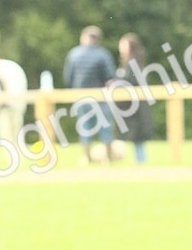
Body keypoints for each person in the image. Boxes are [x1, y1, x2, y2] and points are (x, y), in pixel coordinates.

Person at [62, 26, 117, 162]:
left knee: (85, 127)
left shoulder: (73, 54)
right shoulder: (103, 54)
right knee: (105, 127)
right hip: (100, 98)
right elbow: (110, 77)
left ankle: (87, 158)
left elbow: (68, 78)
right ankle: (108, 158)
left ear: (83, 37)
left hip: (81, 97)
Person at [113, 33, 154, 163]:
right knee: (136, 136)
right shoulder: (131, 62)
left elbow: (132, 79)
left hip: (136, 106)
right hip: (132, 105)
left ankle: (141, 161)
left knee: (138, 135)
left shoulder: (134, 62)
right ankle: (140, 160)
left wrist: (116, 81)